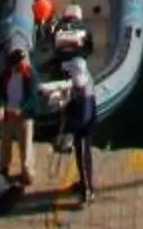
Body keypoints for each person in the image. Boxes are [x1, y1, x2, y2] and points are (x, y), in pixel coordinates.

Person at [0, 47, 35, 194]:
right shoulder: (6, 75)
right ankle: (3, 168)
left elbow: (32, 98)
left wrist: (22, 109)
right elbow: (1, 94)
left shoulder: (30, 75)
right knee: (5, 143)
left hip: (23, 116)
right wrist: (1, 108)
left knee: (25, 146)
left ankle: (27, 171)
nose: (21, 65)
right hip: (9, 114)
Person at [60, 54, 98, 199]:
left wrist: (67, 112)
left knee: (83, 157)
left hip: (84, 128)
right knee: (84, 156)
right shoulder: (88, 80)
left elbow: (82, 117)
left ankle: (86, 190)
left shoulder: (84, 93)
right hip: (87, 124)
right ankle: (85, 184)